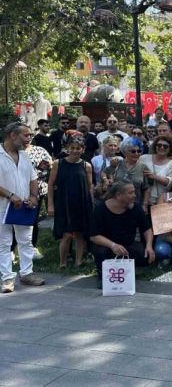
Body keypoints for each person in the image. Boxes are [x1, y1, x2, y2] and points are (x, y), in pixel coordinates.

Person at [0, 123, 44, 293]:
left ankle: (26, 273)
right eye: (26, 135)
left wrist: (33, 196)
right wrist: (10, 195)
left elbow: (33, 178)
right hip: (3, 206)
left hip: (24, 206)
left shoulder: (24, 155)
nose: (29, 139)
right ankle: (7, 278)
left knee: (26, 240)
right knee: (4, 243)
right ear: (12, 135)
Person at [89, 181, 155, 288]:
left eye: (134, 192)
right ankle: (104, 275)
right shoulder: (100, 209)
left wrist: (149, 246)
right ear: (119, 195)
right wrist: (113, 245)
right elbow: (94, 236)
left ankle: (128, 268)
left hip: (127, 245)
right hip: (107, 246)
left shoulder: (136, 208)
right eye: (131, 193)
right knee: (100, 252)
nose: (134, 195)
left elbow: (147, 229)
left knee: (145, 255)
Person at [47, 134, 93, 268]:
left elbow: (90, 186)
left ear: (83, 149)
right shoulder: (58, 163)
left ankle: (78, 261)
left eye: (78, 148)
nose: (75, 151)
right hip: (63, 202)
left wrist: (90, 204)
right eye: (72, 148)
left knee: (80, 234)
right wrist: (50, 204)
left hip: (81, 202)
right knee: (66, 234)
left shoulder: (86, 165)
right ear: (67, 148)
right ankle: (62, 262)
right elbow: (50, 184)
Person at [22, 127, 52, 258]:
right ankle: (11, 249)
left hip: (36, 190)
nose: (28, 138)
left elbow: (47, 167)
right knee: (12, 220)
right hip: (15, 190)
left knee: (32, 220)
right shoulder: (11, 152)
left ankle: (32, 247)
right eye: (25, 135)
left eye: (30, 135)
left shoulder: (39, 150)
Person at [104, 137, 150, 208]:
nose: (136, 153)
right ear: (125, 152)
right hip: (116, 205)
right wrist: (106, 180)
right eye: (133, 151)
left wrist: (144, 205)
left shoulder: (143, 167)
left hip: (135, 206)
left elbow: (146, 188)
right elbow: (104, 173)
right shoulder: (117, 163)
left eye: (139, 151)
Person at [139, 135, 172, 211]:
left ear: (170, 149)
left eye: (165, 146)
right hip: (141, 199)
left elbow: (169, 183)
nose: (162, 148)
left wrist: (153, 176)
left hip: (160, 202)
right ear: (155, 146)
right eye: (159, 145)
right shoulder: (144, 158)